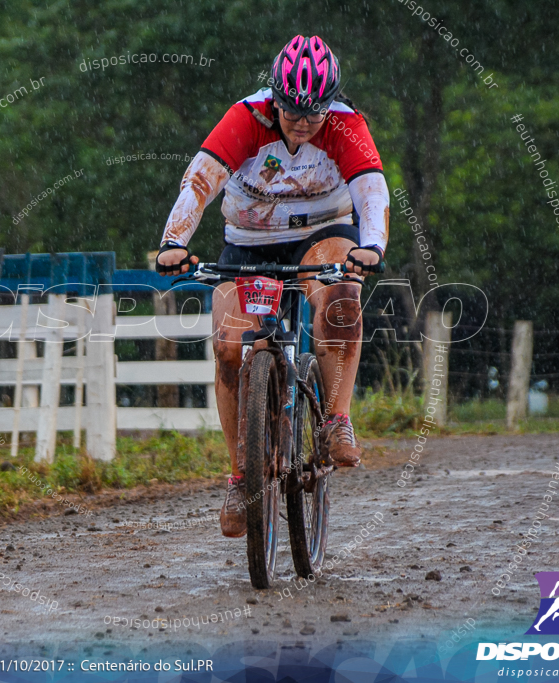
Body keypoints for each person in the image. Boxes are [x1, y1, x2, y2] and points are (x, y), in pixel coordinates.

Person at [155, 35, 390, 538]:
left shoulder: (347, 126)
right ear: (274, 98)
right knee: (227, 350)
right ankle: (241, 478)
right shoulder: (246, 118)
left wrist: (371, 245)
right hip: (250, 241)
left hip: (321, 234)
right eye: (292, 111)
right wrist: (173, 240)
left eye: (315, 112)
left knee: (341, 301)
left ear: (332, 103)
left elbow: (371, 189)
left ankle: (334, 421)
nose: (304, 122)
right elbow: (199, 181)